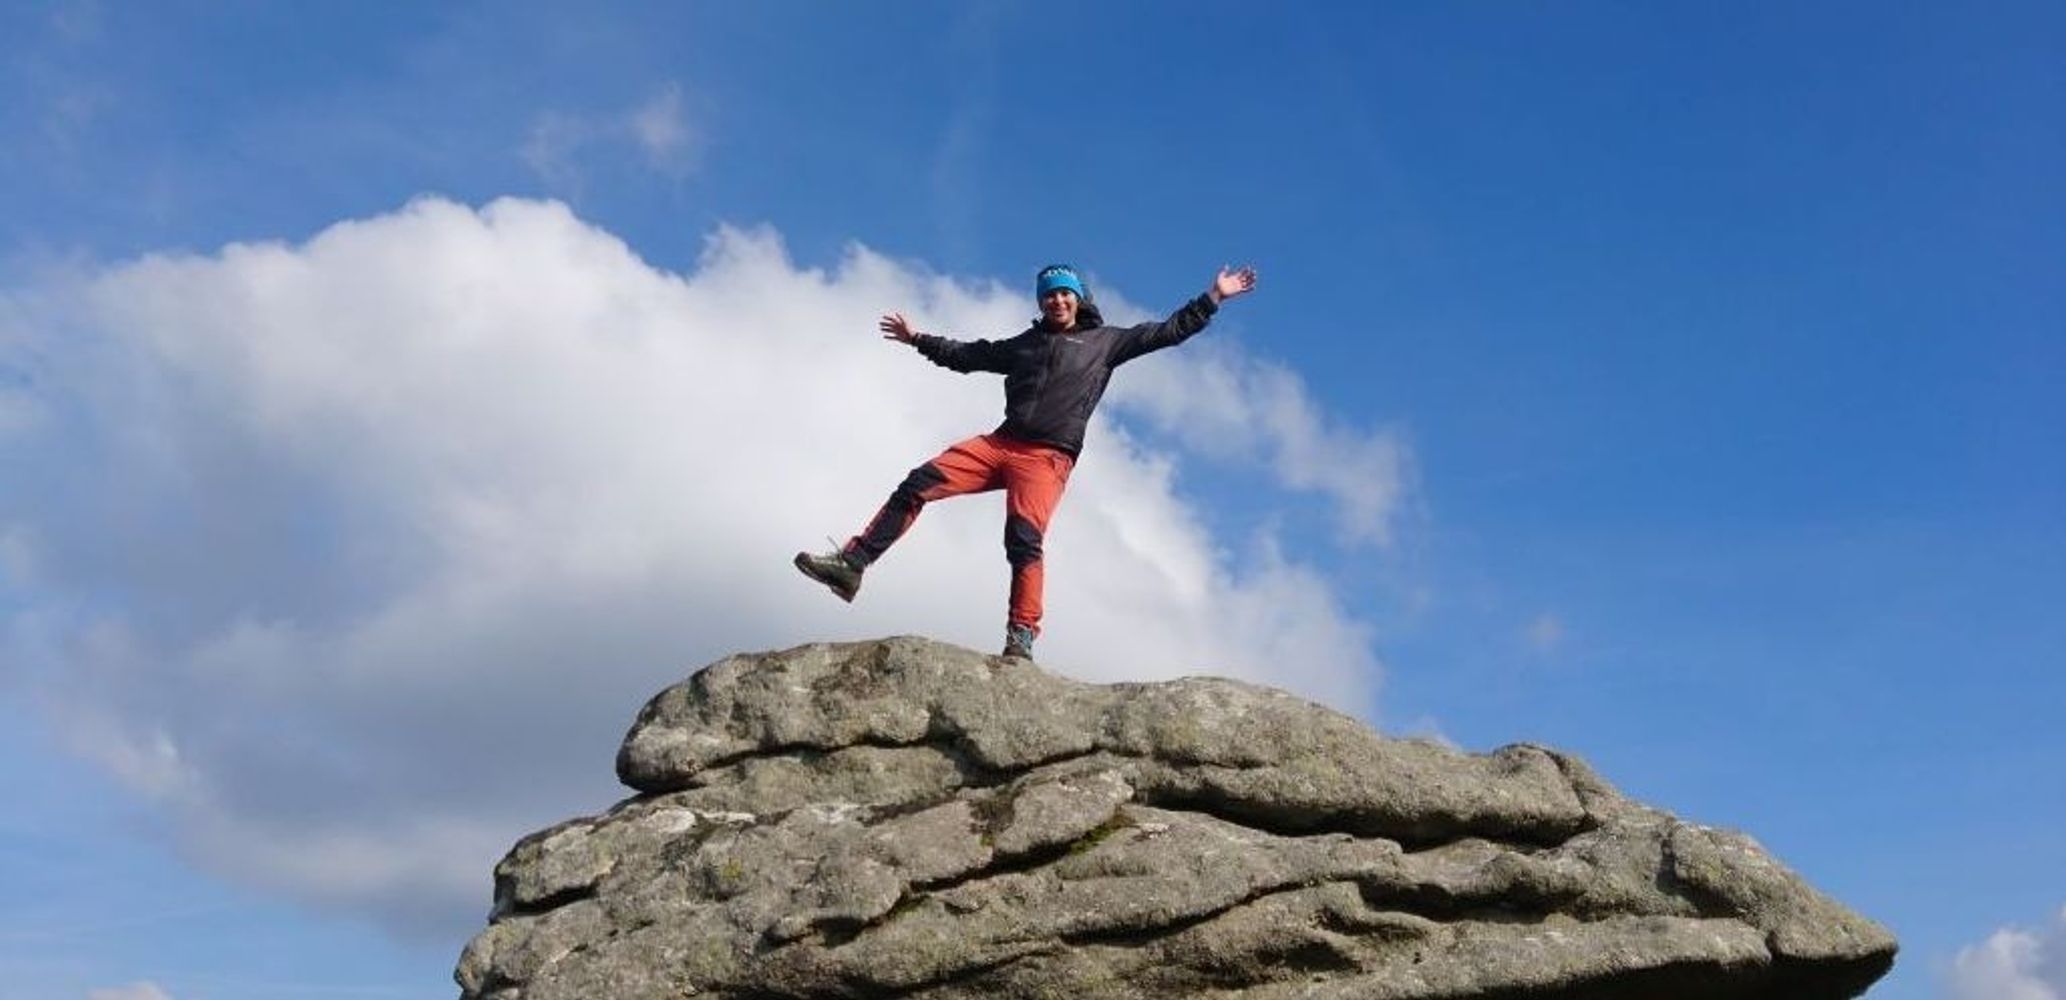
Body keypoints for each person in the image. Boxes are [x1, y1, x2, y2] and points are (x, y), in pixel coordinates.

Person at [794, 262, 1259, 660]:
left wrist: (1214, 296)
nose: (1057, 301)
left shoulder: (1106, 343)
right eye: (1049, 296)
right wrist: (918, 339)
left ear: (1078, 300)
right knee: (918, 483)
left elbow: (1167, 331)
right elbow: (969, 355)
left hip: (1047, 458)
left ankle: (1021, 635)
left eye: (1064, 294)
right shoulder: (1025, 346)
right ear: (1041, 303)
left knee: (1023, 539)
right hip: (1001, 444)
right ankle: (852, 564)